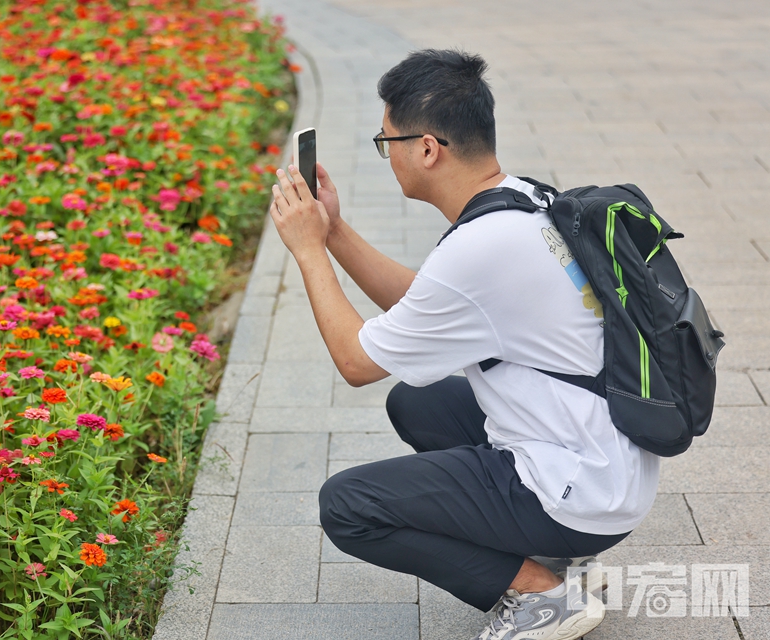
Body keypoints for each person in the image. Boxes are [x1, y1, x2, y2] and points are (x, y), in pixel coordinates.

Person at [268, 49, 659, 640]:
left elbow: (355, 361)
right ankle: (560, 555)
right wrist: (335, 230)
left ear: (426, 148)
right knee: (415, 402)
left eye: (387, 141)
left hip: (578, 490)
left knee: (348, 506)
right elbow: (423, 304)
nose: (387, 155)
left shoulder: (478, 249)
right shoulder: (527, 200)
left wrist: (307, 250)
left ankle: (541, 594)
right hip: (609, 463)